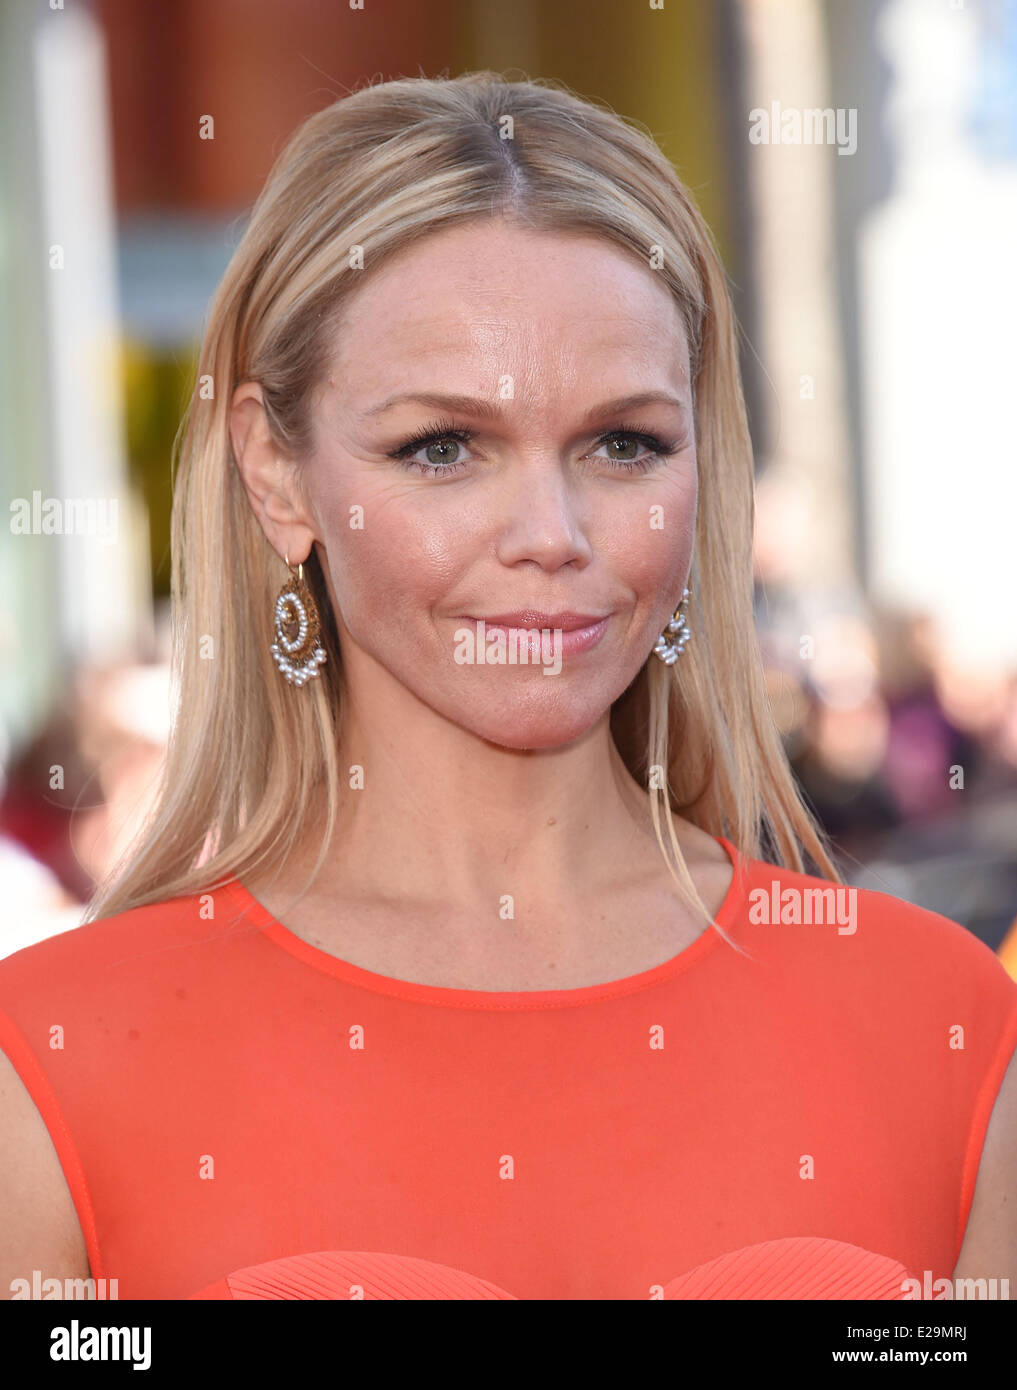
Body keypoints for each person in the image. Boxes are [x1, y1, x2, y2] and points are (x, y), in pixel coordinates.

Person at [1, 72, 1014, 1302]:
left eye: (622, 443)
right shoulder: (52, 1064)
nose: (551, 533)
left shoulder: (942, 1024)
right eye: (443, 448)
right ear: (277, 474)